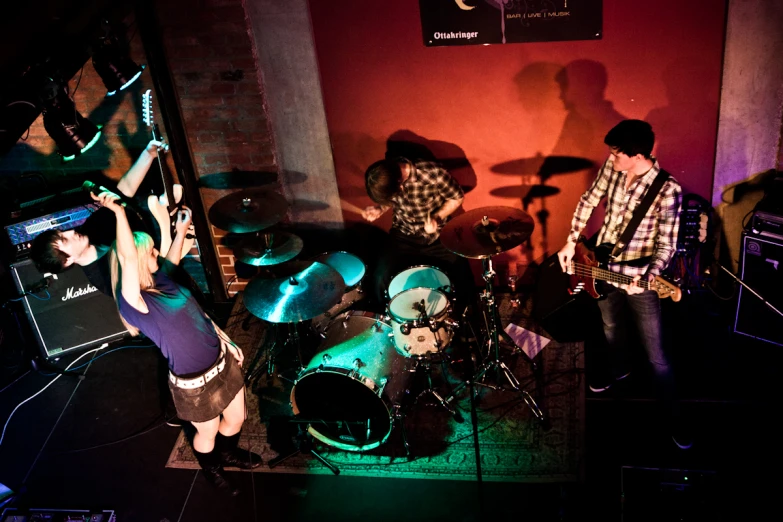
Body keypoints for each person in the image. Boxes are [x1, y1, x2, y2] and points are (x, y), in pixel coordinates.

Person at [98, 191, 261, 496]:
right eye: (149, 252)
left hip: (222, 362)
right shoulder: (134, 302)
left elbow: (198, 313)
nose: (155, 254)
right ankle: (212, 467)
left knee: (237, 418)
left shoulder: (163, 279)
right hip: (194, 385)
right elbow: (128, 256)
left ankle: (229, 453)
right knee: (207, 433)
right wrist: (119, 214)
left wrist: (227, 341)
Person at [555, 119, 689, 449]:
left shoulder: (668, 190)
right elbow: (589, 199)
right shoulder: (613, 167)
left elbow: (667, 245)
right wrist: (571, 242)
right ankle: (620, 371)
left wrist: (646, 278)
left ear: (636, 154)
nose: (611, 159)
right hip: (602, 264)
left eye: (616, 154)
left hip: (638, 275)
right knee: (611, 326)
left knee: (656, 354)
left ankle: (674, 416)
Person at [30, 140, 168, 295]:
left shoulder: (92, 227)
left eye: (62, 233)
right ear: (67, 261)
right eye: (64, 240)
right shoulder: (107, 280)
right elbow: (161, 283)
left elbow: (124, 192)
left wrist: (148, 154)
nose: (71, 232)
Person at [361, 156, 472, 311]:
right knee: (379, 278)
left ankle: (466, 323)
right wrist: (379, 208)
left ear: (400, 184)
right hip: (402, 236)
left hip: (436, 237)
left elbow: (456, 197)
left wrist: (437, 217)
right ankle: (386, 322)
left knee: (463, 277)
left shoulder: (433, 173)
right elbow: (391, 200)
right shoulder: (389, 173)